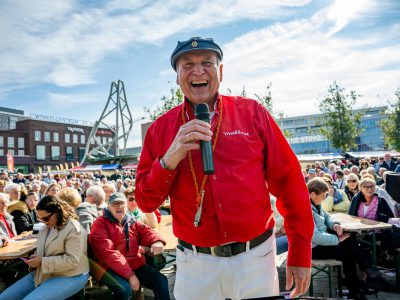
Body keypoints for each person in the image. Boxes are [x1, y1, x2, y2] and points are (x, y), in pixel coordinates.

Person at [135, 36, 313, 300]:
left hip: (256, 259)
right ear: (177, 76)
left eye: (207, 62)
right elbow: (145, 201)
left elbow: (289, 182)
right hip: (195, 266)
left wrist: (300, 249)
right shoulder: (160, 129)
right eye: (188, 64)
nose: (198, 71)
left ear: (220, 71)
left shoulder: (252, 112)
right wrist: (170, 158)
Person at [0, 195, 89, 299]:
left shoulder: (73, 229)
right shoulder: (46, 227)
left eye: (45, 218)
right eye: (40, 218)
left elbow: (73, 260)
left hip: (72, 275)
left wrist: (42, 261)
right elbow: (45, 251)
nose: (43, 222)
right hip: (44, 272)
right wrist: (34, 259)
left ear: (57, 213)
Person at [88, 193, 170, 300]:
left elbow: (147, 232)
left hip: (132, 263)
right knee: (125, 290)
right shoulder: (100, 224)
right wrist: (130, 275)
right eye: (115, 203)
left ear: (126, 206)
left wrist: (157, 241)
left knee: (161, 281)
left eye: (122, 203)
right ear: (108, 207)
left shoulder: (131, 220)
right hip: (107, 267)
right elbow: (108, 254)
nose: (119, 206)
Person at [308, 178, 374, 300]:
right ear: (313, 194)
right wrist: (337, 239)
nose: (324, 198)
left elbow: (327, 217)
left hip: (320, 243)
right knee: (349, 252)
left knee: (350, 239)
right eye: (323, 195)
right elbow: (315, 237)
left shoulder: (314, 204)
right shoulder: (305, 209)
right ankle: (362, 279)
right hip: (312, 249)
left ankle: (358, 286)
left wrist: (335, 224)